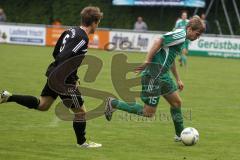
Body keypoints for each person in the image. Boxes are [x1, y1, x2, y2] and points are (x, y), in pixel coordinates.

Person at [0, 6, 103, 148]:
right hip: (64, 80)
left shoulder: (71, 31)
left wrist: (71, 74)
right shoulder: (82, 38)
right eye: (98, 23)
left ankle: (9, 96)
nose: (97, 26)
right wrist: (71, 79)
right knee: (80, 112)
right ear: (94, 22)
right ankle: (82, 143)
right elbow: (66, 57)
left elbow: (57, 53)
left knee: (43, 105)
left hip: (55, 74)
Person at [105, 16, 205, 142]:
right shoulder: (180, 34)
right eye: (197, 34)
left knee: (176, 103)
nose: (197, 37)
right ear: (190, 29)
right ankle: (113, 103)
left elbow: (171, 58)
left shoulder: (182, 38)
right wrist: (147, 60)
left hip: (163, 75)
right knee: (148, 112)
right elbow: (159, 40)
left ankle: (180, 134)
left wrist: (178, 79)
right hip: (154, 75)